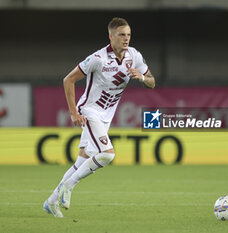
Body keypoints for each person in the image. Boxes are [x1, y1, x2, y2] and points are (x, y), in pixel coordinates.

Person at [43, 17, 155, 218]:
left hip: (106, 116)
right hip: (89, 111)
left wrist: (143, 78)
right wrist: (73, 113)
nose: (126, 39)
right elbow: (68, 80)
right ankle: (68, 186)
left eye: (128, 34)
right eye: (121, 35)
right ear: (111, 36)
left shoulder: (134, 56)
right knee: (107, 154)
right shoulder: (98, 58)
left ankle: (51, 202)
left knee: (83, 160)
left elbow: (152, 82)